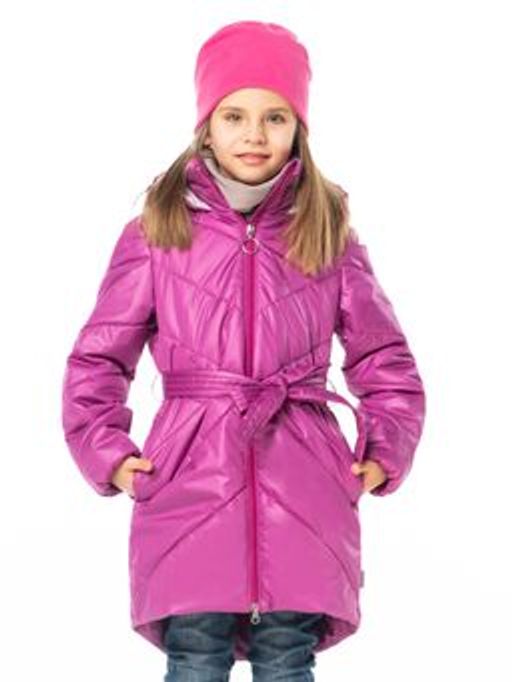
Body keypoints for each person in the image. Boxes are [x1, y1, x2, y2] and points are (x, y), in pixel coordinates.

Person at [61, 19, 426, 682]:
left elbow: (384, 359)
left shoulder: (328, 231)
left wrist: (383, 451)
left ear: (298, 129)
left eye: (274, 117)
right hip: (188, 483)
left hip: (304, 490)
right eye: (234, 116)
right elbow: (99, 359)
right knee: (195, 657)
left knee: (286, 658)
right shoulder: (158, 231)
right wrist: (110, 455)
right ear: (206, 126)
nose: (254, 135)